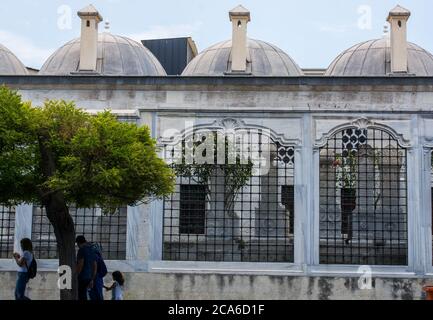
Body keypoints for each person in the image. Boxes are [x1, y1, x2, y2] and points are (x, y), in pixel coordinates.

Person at [76, 235, 97, 301]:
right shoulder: (92, 250)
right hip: (89, 277)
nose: (77, 245)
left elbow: (80, 264)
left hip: (82, 277)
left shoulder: (81, 250)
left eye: (77, 244)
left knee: (81, 296)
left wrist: (75, 275)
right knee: (86, 295)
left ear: (78, 243)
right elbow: (95, 265)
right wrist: (92, 279)